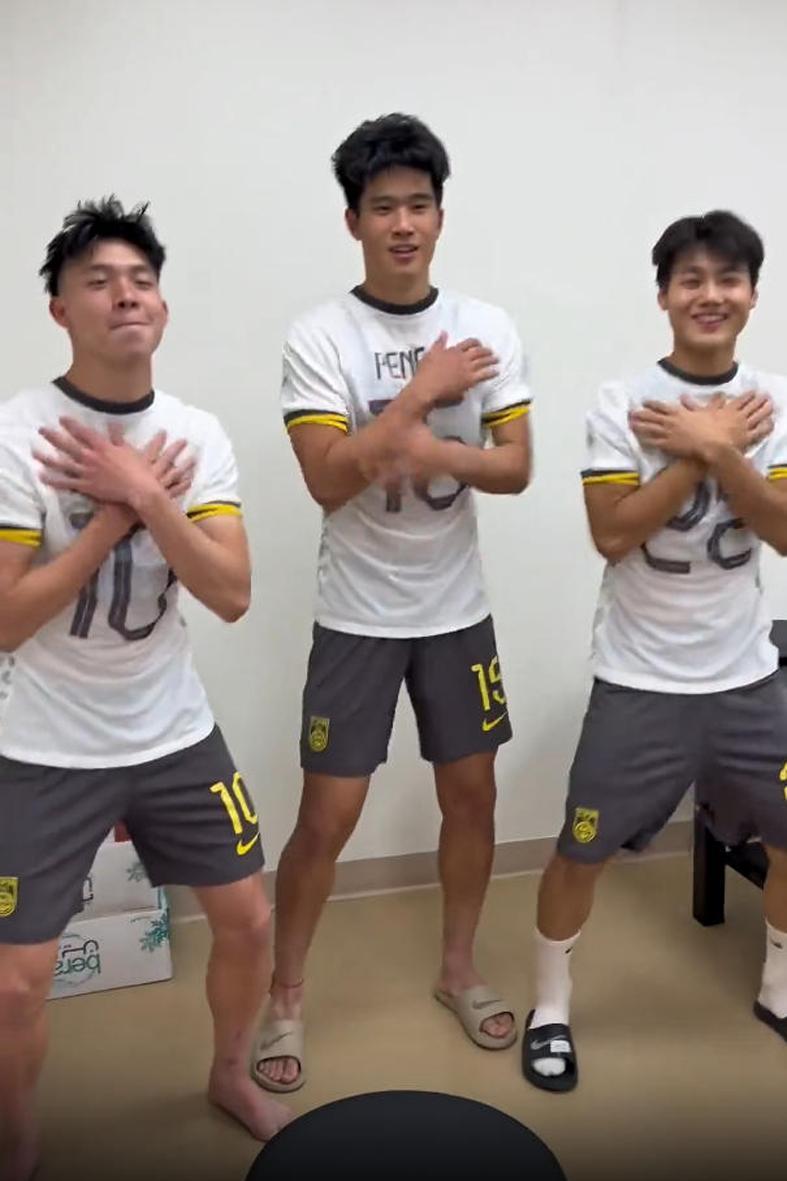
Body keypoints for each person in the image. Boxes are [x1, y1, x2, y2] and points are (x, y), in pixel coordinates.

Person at [0, 198, 290, 1181]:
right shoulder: (20, 433)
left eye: (142, 279)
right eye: (99, 281)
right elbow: (5, 618)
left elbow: (231, 593)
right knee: (16, 982)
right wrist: (107, 522)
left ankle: (227, 1073)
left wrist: (149, 493)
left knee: (248, 919)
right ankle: (17, 1139)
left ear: (161, 304)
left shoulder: (194, 436)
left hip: (172, 730)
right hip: (43, 744)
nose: (126, 295)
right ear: (60, 309)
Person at [256, 113, 532, 1093]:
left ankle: (457, 967)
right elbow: (327, 478)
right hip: (357, 616)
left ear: (440, 215)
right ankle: (285, 995)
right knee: (326, 817)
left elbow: (515, 466)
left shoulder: (488, 326)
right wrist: (420, 397)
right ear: (354, 221)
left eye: (418, 205)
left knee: (474, 796)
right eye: (383, 207)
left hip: (457, 611)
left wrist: (420, 445)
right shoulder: (319, 335)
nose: (403, 223)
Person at [522, 210, 787, 1094]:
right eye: (690, 279)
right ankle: (550, 1008)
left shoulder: (773, 402)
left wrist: (720, 449)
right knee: (580, 849)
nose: (709, 294)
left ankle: (778, 985)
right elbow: (612, 532)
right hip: (638, 681)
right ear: (664, 295)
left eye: (727, 278)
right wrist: (700, 454)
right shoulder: (622, 404)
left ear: (751, 294)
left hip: (747, 678)